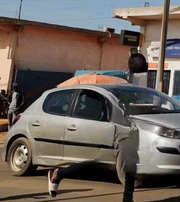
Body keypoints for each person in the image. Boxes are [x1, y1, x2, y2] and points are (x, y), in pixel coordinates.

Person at [47, 54, 145, 202]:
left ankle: (127, 199)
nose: (145, 67)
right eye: (143, 64)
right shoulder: (123, 86)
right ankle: (60, 173)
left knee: (130, 165)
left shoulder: (134, 84)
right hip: (111, 130)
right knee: (95, 163)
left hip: (127, 131)